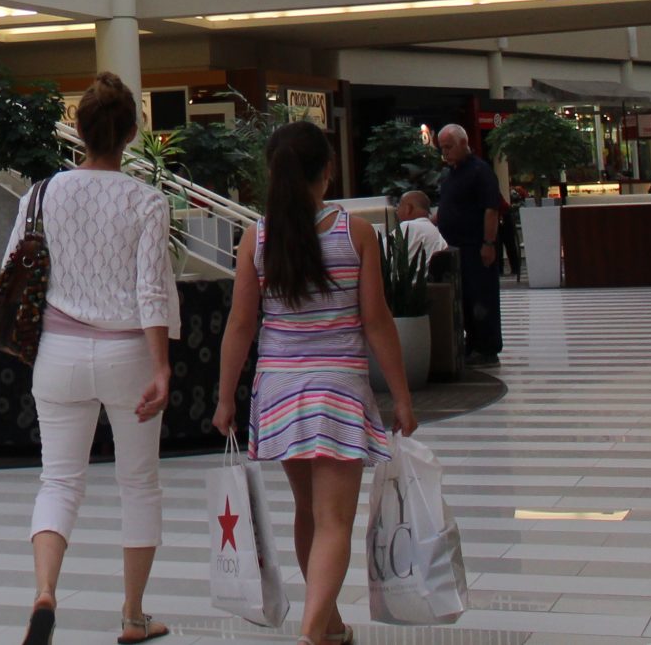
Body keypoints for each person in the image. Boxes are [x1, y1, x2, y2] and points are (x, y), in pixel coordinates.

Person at [215, 121, 416, 645]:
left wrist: (223, 399)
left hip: (278, 394)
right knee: (332, 521)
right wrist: (402, 395)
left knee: (308, 512)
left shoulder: (255, 239)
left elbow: (241, 325)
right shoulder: (355, 234)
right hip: (338, 393)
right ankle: (312, 633)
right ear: (326, 172)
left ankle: (327, 624)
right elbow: (376, 321)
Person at [11, 74, 176, 645]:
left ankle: (45, 593)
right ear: (131, 133)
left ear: (77, 130)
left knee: (57, 481)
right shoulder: (146, 202)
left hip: (56, 353)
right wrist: (162, 367)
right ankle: (132, 616)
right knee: (138, 484)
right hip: (128, 351)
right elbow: (152, 290)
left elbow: (15, 263)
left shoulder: (41, 194)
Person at [436, 123, 506, 363]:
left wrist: (488, 243)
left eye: (448, 146)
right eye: (442, 148)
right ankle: (472, 342)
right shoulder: (451, 173)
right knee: (464, 297)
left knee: (481, 296)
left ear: (464, 144)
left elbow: (491, 209)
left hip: (475, 246)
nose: (445, 152)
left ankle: (487, 347)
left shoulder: (480, 171)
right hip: (455, 248)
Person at [395, 189, 448, 271]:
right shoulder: (436, 233)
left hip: (406, 283)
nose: (396, 212)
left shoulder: (407, 227)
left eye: (398, 207)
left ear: (408, 208)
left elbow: (378, 253)